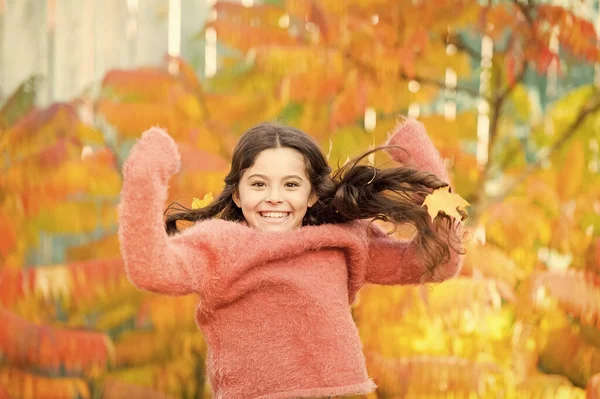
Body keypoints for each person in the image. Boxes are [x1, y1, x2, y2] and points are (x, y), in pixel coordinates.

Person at [118, 118, 466, 399]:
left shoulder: (342, 238)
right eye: (258, 185)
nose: (273, 198)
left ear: (313, 194)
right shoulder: (218, 245)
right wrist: (145, 176)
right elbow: (152, 269)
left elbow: (436, 261)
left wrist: (426, 169)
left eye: (290, 185)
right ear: (237, 195)